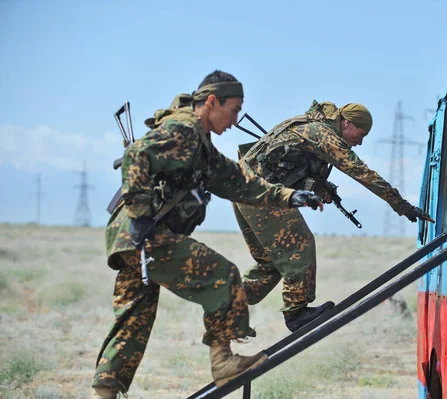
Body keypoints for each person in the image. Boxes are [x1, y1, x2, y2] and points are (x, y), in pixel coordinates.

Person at [91, 71, 323, 398]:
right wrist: (141, 212)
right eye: (234, 108)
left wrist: (288, 196)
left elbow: (240, 181)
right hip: (143, 234)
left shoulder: (202, 148)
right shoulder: (184, 130)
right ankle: (223, 362)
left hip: (129, 239)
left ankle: (102, 394)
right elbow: (136, 154)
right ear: (212, 102)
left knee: (133, 323)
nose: (236, 118)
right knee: (223, 275)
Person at [233, 100, 435, 333]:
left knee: (270, 266)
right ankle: (297, 313)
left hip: (243, 187)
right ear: (347, 124)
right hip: (262, 193)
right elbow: (362, 173)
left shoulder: (309, 127)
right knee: (300, 245)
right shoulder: (324, 134)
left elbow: (285, 166)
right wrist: (403, 206)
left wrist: (318, 186)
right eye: (361, 134)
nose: (360, 142)